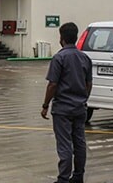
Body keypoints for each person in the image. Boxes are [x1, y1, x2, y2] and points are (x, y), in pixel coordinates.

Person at [41, 22, 92, 183]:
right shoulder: (85, 58)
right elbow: (89, 84)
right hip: (79, 108)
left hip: (62, 109)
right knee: (79, 143)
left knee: (64, 145)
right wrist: (83, 99)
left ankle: (63, 178)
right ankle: (78, 176)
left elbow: (52, 84)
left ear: (61, 38)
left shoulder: (59, 58)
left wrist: (45, 105)